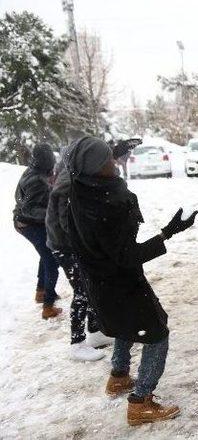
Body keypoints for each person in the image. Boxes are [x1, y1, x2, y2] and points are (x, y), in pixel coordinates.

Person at [66, 136, 197, 426]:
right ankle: (141, 401)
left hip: (99, 281)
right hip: (120, 283)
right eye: (106, 161)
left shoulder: (78, 191)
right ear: (94, 168)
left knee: (127, 325)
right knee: (156, 332)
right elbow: (127, 256)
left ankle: (119, 375)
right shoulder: (106, 206)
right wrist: (168, 233)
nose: (112, 163)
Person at [46, 155, 112, 361]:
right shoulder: (69, 185)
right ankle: (77, 343)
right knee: (82, 290)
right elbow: (69, 225)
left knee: (90, 286)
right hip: (65, 247)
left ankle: (95, 331)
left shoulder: (78, 176)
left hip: (71, 245)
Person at [13, 143, 61, 319]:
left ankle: (41, 292)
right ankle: (48, 307)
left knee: (46, 254)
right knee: (52, 260)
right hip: (29, 224)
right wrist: (53, 212)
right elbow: (29, 209)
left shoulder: (36, 170)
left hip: (29, 222)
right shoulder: (35, 180)